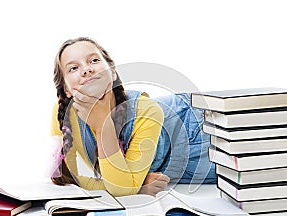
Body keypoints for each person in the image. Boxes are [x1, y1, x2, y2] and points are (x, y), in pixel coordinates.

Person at [49, 37, 216, 197]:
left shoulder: (147, 110)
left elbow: (120, 189)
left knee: (235, 172)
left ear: (112, 72)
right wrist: (136, 186)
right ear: (66, 90)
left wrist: (102, 127)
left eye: (94, 60)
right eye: (73, 68)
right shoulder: (63, 114)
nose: (86, 69)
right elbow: (69, 180)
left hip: (198, 131)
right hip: (171, 169)